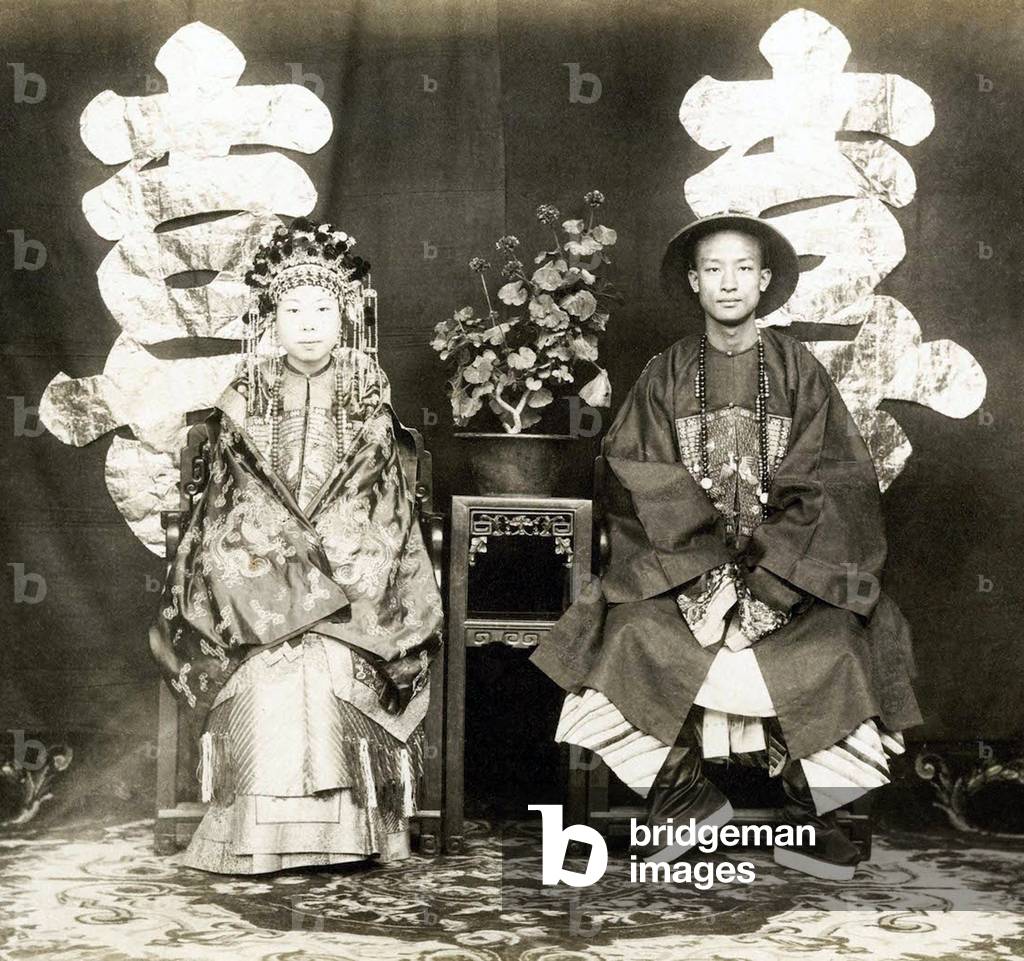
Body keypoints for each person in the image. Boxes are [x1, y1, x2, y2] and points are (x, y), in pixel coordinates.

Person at [530, 211, 922, 881]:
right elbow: (641, 474)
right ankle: (685, 799)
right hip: (686, 577)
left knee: (840, 648)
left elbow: (830, 483)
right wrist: (707, 579)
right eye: (714, 269)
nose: (729, 282)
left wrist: (770, 585)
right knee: (627, 641)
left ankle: (809, 818)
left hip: (792, 580)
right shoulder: (665, 373)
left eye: (743, 267)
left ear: (766, 280)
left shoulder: (801, 373)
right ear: (694, 281)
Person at [148, 217, 443, 874]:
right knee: (271, 660)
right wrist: (287, 569)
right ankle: (251, 835)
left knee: (340, 656)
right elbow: (231, 494)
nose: (309, 322)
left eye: (323, 308)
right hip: (263, 575)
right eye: (293, 309)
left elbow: (379, 493)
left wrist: (330, 568)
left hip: (351, 567)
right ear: (271, 319)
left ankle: (366, 829)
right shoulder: (242, 395)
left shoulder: (368, 392)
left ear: (344, 317)